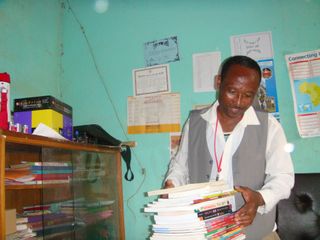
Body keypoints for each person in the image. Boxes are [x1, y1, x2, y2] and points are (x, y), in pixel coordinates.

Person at [163, 55, 294, 240]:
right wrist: (172, 184)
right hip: (204, 231)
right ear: (218, 82)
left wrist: (259, 198)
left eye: (248, 95)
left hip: (256, 234)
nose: (239, 101)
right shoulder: (195, 123)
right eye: (232, 91)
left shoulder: (269, 126)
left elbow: (283, 177)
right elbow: (180, 165)